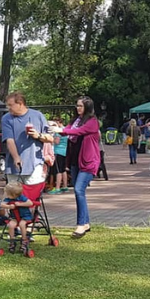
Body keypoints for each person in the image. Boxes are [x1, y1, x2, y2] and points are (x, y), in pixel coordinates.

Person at [52, 96, 100, 238]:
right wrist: (54, 128)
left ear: (87, 107)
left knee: (79, 190)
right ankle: (85, 223)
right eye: (77, 105)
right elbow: (68, 129)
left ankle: (80, 225)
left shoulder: (93, 122)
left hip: (88, 162)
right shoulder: (75, 121)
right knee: (79, 192)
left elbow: (77, 132)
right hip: (75, 161)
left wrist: (61, 130)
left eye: (80, 106)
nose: (78, 108)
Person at [1, 91, 52, 201]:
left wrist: (38, 135)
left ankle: (32, 217)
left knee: (33, 195)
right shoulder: (6, 118)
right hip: (13, 166)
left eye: (10, 105)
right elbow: (9, 140)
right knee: (13, 196)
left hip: (34, 163)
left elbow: (51, 138)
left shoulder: (37, 115)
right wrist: (16, 157)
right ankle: (15, 217)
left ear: (20, 103)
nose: (8, 107)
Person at [1, 182, 34, 254]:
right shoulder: (8, 199)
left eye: (8, 194)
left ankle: (24, 239)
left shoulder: (22, 197)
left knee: (22, 225)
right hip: (14, 217)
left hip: (25, 216)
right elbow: (2, 204)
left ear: (14, 195)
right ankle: (12, 240)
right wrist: (8, 206)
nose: (6, 195)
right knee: (11, 225)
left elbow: (30, 203)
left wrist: (20, 204)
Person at [50, 118, 68, 194]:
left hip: (58, 152)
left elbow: (57, 142)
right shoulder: (65, 130)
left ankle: (57, 188)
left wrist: (51, 139)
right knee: (63, 170)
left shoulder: (58, 132)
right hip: (64, 151)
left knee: (58, 171)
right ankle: (65, 186)